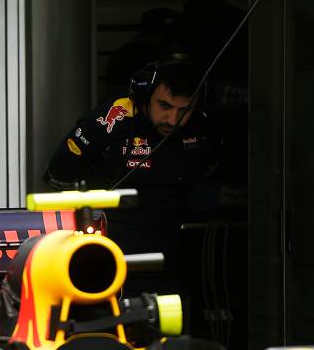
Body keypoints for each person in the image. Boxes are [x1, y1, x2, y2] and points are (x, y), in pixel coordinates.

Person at [43, 55, 221, 293]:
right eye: (165, 106)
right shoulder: (113, 119)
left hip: (169, 253)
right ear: (145, 95)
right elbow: (59, 175)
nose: (173, 120)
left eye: (184, 110)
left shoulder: (203, 125)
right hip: (106, 253)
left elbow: (211, 177)